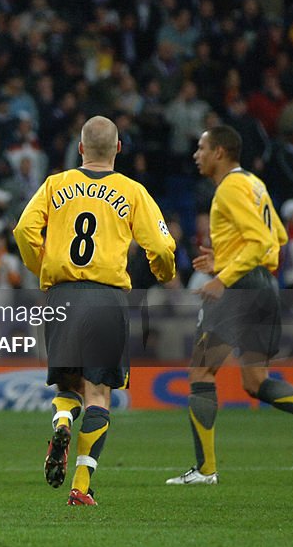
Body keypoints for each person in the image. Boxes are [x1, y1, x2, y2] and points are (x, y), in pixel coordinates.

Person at [13, 115, 176, 506]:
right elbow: (162, 246)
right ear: (118, 149)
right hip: (107, 298)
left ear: (81, 149)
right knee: (99, 393)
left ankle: (62, 421)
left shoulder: (56, 184)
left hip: (62, 294)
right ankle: (81, 487)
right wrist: (162, 273)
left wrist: (44, 267)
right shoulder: (132, 190)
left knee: (69, 384)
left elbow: (22, 230)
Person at [166, 126, 293, 486]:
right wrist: (224, 257)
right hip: (264, 285)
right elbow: (278, 237)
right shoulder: (254, 183)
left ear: (219, 152)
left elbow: (258, 241)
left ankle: (205, 471)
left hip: (238, 288)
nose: (196, 155)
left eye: (202, 148)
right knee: (255, 380)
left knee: (201, 374)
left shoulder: (231, 188)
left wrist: (224, 276)